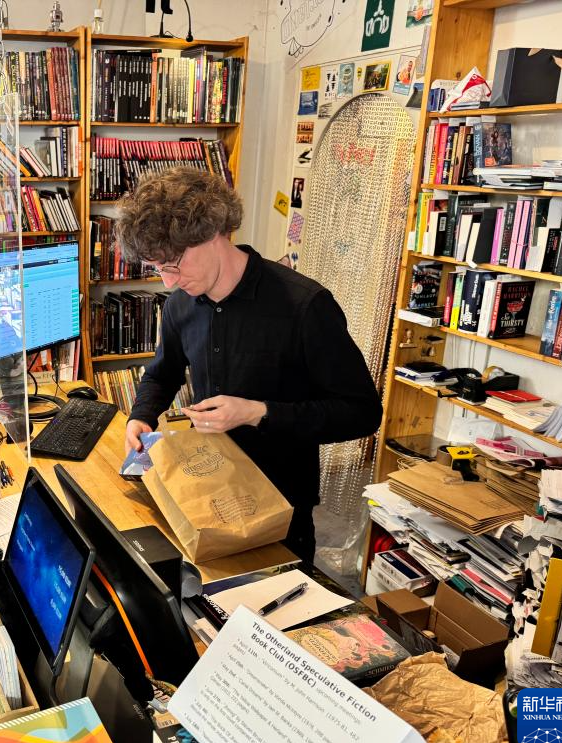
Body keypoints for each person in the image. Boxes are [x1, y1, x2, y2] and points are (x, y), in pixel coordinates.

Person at [118, 167, 382, 563]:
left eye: (173, 264)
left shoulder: (305, 306)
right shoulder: (179, 305)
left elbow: (362, 413)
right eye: (158, 269)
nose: (168, 282)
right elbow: (162, 373)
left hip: (282, 505)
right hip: (207, 491)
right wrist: (141, 415)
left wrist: (257, 413)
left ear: (213, 231)